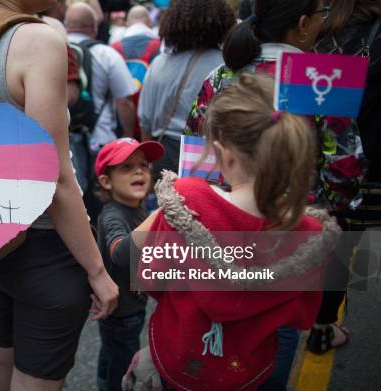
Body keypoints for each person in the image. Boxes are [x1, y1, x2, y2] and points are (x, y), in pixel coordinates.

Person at [185, 2, 364, 385]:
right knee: (277, 324)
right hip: (291, 227)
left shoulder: (220, 75)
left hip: (221, 222)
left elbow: (195, 150)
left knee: (218, 316)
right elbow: (345, 167)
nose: (324, 20)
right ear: (303, 25)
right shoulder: (325, 78)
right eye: (321, 13)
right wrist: (328, 214)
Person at [125, 73, 339, 391]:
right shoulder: (308, 232)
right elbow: (302, 315)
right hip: (250, 371)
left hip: (180, 359)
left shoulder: (188, 201)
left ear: (224, 153)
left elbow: (150, 278)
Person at [0, 0, 119, 389]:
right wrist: (97, 271)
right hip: (45, 245)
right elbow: (55, 176)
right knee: (35, 379)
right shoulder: (39, 39)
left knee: (1, 357)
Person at [307, 0, 381, 355]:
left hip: (322, 159)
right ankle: (321, 327)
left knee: (335, 245)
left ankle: (317, 325)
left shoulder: (318, 30)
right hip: (372, 160)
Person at [94, 138, 165, 391]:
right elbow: (121, 254)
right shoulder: (113, 215)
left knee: (112, 353)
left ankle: (103, 382)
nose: (138, 171)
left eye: (143, 165)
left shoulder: (138, 208)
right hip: (122, 312)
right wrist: (159, 215)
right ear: (106, 181)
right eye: (126, 167)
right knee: (123, 360)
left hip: (130, 304)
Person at [138, 0, 234, 180]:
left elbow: (145, 122)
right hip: (209, 158)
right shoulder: (226, 66)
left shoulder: (158, 64)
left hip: (163, 156)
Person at [65, 2, 137, 148]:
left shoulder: (55, 50)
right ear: (94, 27)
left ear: (66, 25)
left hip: (64, 137)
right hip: (101, 138)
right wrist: (128, 136)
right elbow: (124, 101)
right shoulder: (107, 54)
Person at [110, 5, 162, 141]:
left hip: (122, 121)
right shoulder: (160, 47)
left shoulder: (113, 49)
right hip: (153, 122)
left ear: (127, 23)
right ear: (150, 23)